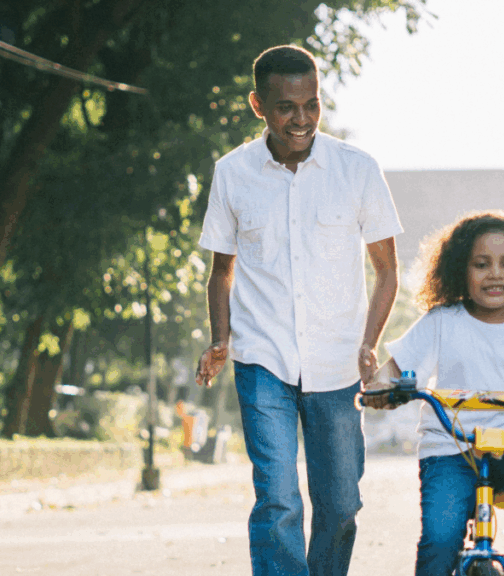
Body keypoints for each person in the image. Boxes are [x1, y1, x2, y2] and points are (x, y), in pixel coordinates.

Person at [194, 45, 403, 576]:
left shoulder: (356, 169)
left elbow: (387, 270)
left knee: (339, 508)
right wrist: (222, 339)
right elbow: (222, 271)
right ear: (258, 105)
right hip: (263, 359)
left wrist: (368, 342)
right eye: (287, 106)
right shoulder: (233, 173)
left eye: (312, 103)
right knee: (279, 501)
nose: (303, 118)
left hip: (336, 364)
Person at [366, 211, 504, 576]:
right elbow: (394, 370)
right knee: (439, 541)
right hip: (450, 448)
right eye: (482, 264)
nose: (496, 274)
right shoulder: (442, 321)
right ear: (461, 270)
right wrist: (380, 387)